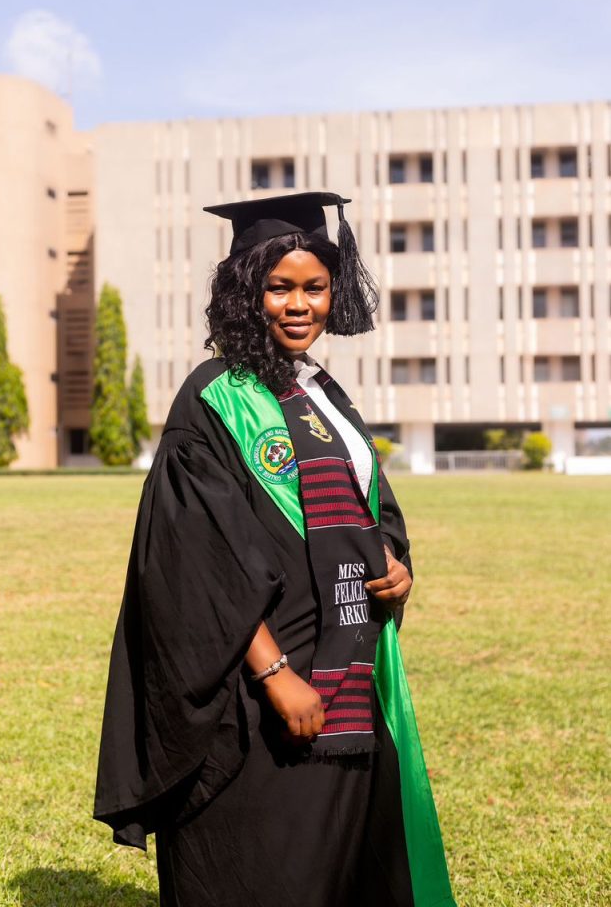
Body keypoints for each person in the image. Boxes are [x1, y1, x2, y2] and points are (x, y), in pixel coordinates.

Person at [94, 192, 456, 907]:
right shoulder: (214, 399)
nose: (299, 305)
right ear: (244, 292)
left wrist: (394, 565)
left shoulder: (323, 394)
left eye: (314, 287)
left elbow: (370, 509)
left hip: (346, 670)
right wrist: (275, 673)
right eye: (278, 287)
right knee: (263, 867)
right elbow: (194, 562)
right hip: (255, 690)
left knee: (336, 867)